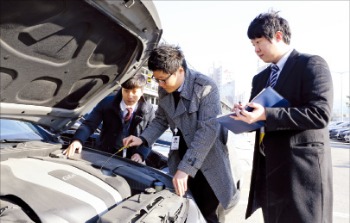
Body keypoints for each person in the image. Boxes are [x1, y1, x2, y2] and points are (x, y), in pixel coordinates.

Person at [231, 10, 333, 223]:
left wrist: (266, 114)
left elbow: (320, 114)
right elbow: (258, 119)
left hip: (302, 176)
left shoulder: (311, 64)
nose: (256, 50)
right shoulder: (260, 78)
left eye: (259, 42)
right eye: (253, 45)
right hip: (270, 175)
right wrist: (245, 115)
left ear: (278, 36)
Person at [123, 44, 240, 223]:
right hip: (180, 160)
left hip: (207, 162)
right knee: (184, 212)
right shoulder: (164, 90)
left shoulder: (205, 87)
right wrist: (142, 139)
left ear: (179, 70)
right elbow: (161, 119)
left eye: (163, 79)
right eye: (157, 80)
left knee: (210, 215)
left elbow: (207, 132)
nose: (160, 84)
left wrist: (186, 169)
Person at [63, 74, 155, 163]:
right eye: (126, 91)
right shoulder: (107, 103)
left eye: (134, 92)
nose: (130, 95)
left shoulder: (149, 110)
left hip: (133, 158)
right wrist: (78, 140)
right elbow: (89, 125)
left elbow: (151, 136)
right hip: (104, 153)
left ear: (142, 91)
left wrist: (141, 154)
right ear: (121, 89)